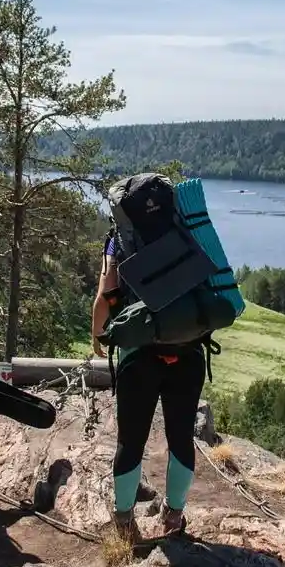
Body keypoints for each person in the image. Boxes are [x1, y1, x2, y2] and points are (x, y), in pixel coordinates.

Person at [91, 229, 205, 542]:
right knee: (181, 437)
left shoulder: (117, 239)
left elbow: (106, 293)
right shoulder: (189, 230)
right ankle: (173, 516)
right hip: (189, 352)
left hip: (138, 356)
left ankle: (125, 522)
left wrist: (97, 333)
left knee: (131, 441)